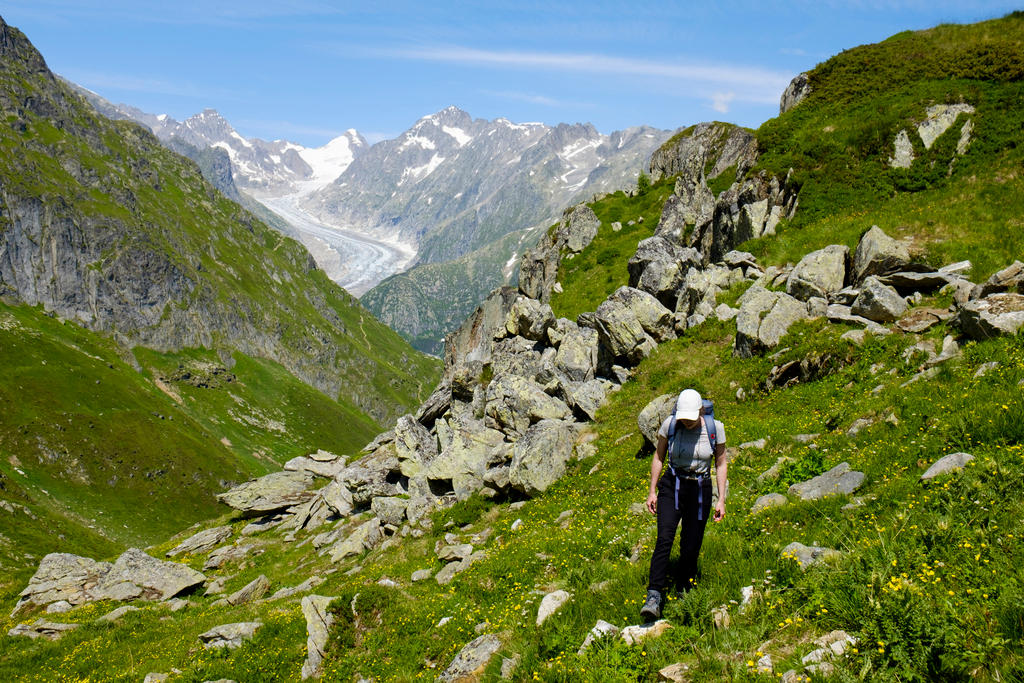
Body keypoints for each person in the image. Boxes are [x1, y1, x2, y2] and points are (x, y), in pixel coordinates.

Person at [639, 388, 727, 622]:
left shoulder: (714, 428)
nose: (686, 422)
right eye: (683, 418)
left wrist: (721, 499)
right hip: (673, 485)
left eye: (690, 418)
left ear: (700, 411)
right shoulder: (671, 424)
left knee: (691, 543)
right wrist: (652, 491)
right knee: (664, 538)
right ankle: (654, 596)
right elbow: (658, 457)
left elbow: (720, 462)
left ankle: (684, 589)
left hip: (700, 488)